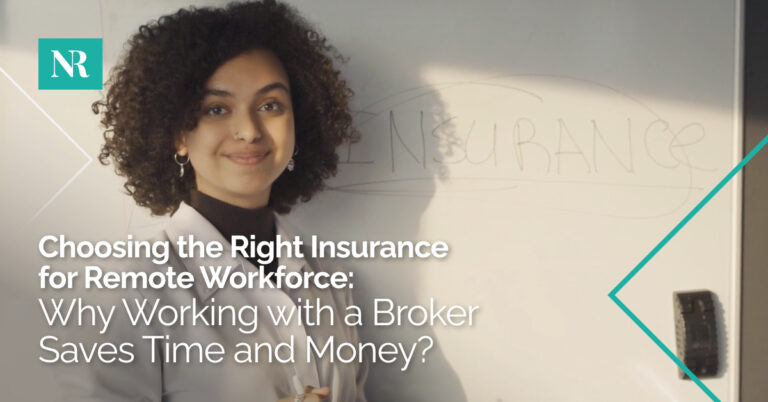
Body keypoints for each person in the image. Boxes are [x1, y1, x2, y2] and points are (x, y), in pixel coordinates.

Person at [59, 1, 366, 401]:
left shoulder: (329, 279)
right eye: (217, 108)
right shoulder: (133, 292)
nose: (249, 130)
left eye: (270, 105)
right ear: (178, 135)